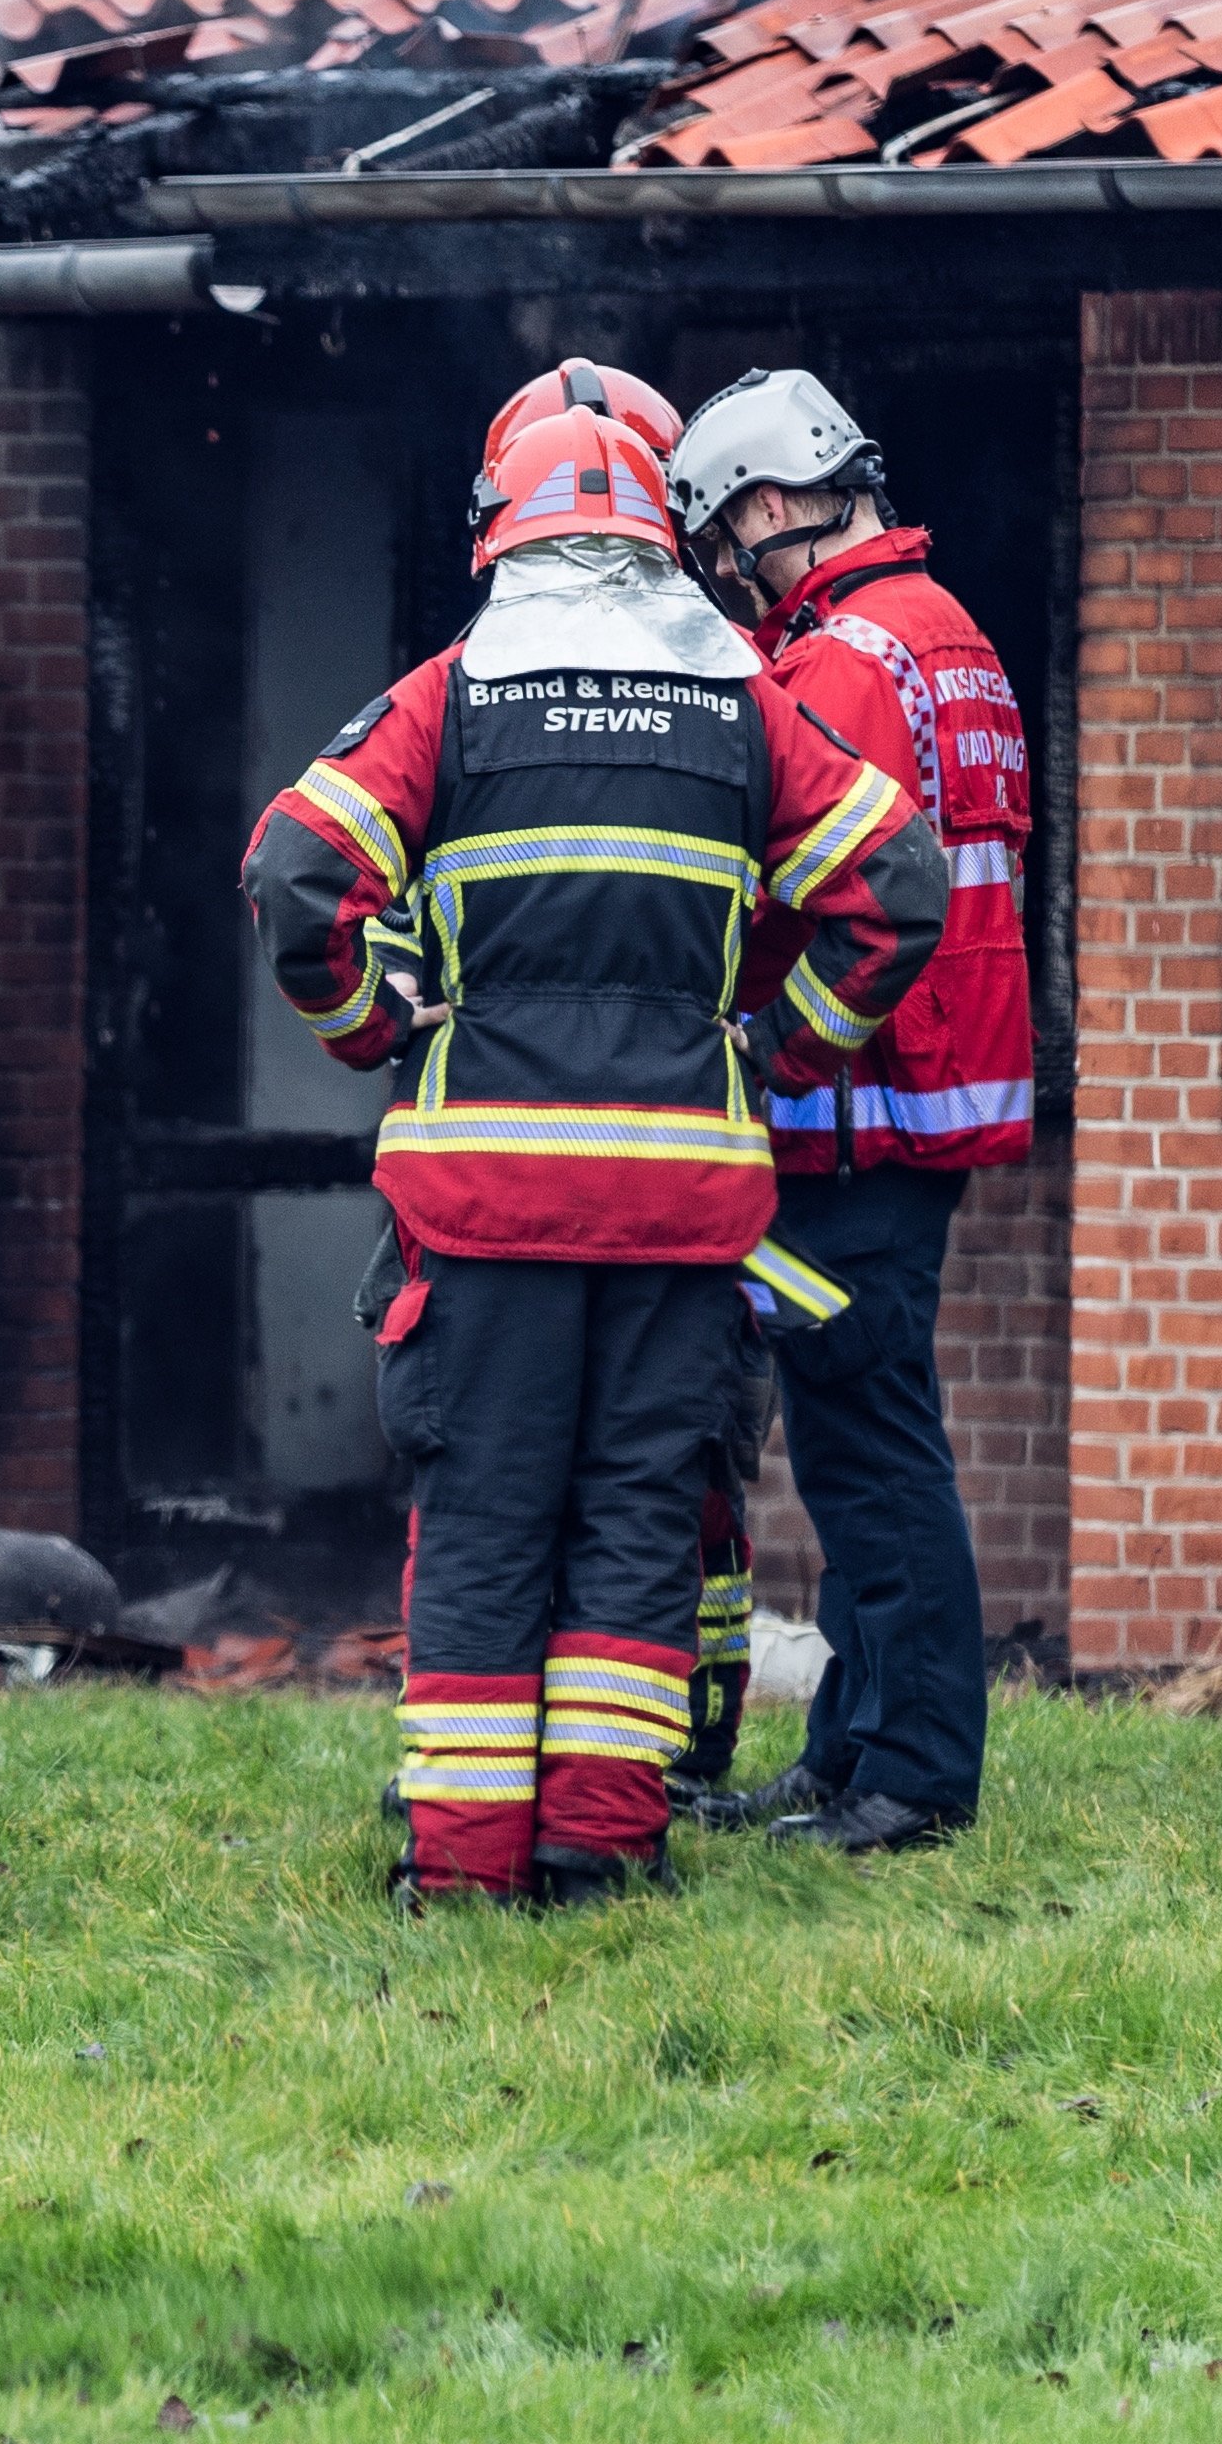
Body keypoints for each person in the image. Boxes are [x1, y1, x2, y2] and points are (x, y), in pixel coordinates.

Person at [244, 360, 950, 1909]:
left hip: (484, 1203)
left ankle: (466, 1867)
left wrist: (375, 1021)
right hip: (680, 1209)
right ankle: (601, 1849)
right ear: (663, 535)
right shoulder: (746, 708)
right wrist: (771, 1045)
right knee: (639, 1524)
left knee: (488, 1521)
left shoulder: (448, 696)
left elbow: (296, 874)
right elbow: (898, 888)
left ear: (500, 538)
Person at [667, 370, 1039, 1855]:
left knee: (872, 1452)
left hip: (860, 1115)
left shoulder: (841, 668)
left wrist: (755, 1048)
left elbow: (814, 900)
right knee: (861, 1437)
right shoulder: (945, 637)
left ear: (767, 509)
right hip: (922, 1104)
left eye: (720, 550)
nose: (726, 586)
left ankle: (914, 1777)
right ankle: (850, 1748)